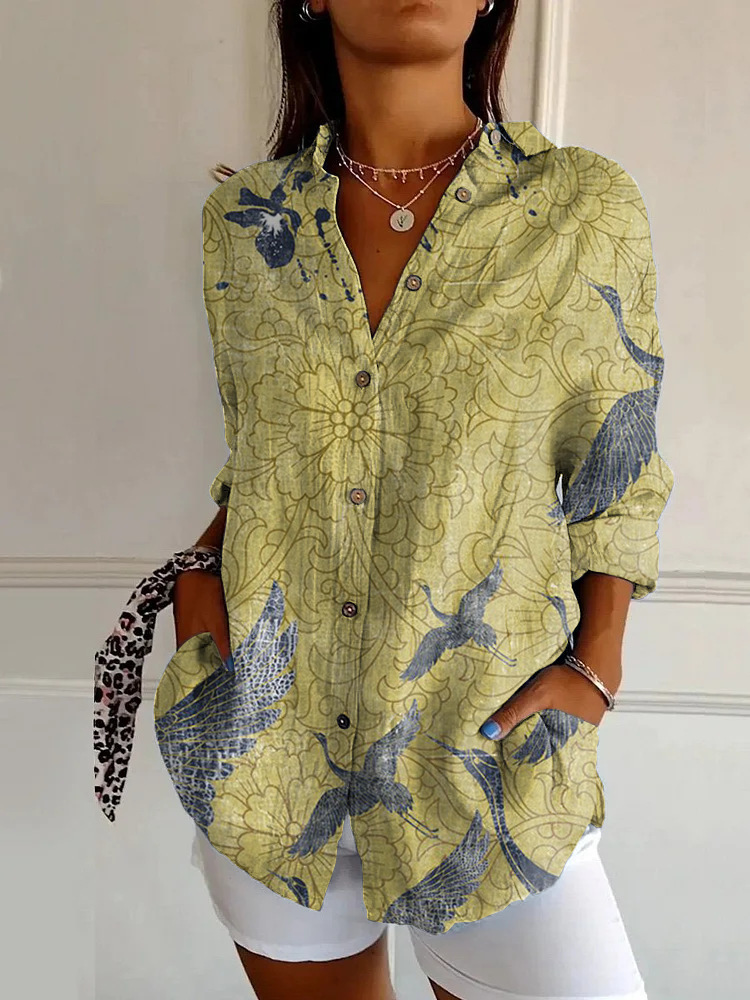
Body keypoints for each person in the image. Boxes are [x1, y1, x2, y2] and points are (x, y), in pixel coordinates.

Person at [167, 1, 673, 998]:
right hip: (270, 765)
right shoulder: (246, 225)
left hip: (486, 765)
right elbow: (262, 457)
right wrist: (198, 588)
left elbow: (617, 471)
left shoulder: (579, 207)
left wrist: (599, 663)